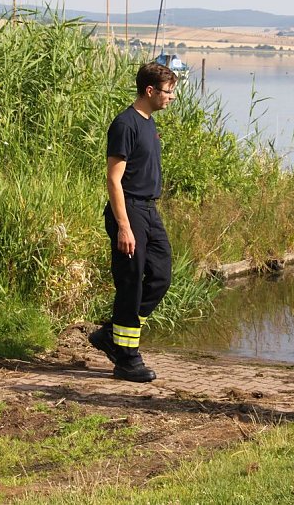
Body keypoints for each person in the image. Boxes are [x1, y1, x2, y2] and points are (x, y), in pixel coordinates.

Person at [88, 62, 176, 383]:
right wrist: (123, 225)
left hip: (149, 211)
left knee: (161, 276)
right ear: (150, 90)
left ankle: (113, 333)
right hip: (130, 211)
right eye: (168, 92)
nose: (172, 97)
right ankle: (127, 360)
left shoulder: (149, 123)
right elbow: (114, 180)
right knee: (130, 282)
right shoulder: (125, 124)